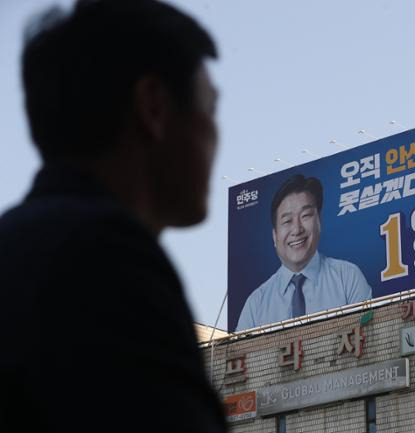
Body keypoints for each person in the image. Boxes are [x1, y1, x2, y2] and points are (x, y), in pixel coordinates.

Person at [0, 1, 227, 432]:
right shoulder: (108, 260)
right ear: (154, 107)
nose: (216, 134)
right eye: (209, 109)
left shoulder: (19, 246)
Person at [236, 174, 372, 330]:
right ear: (274, 235)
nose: (297, 229)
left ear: (319, 221)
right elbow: (240, 353)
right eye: (287, 221)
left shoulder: (347, 278)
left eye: (306, 216)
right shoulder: (256, 304)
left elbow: (369, 338)